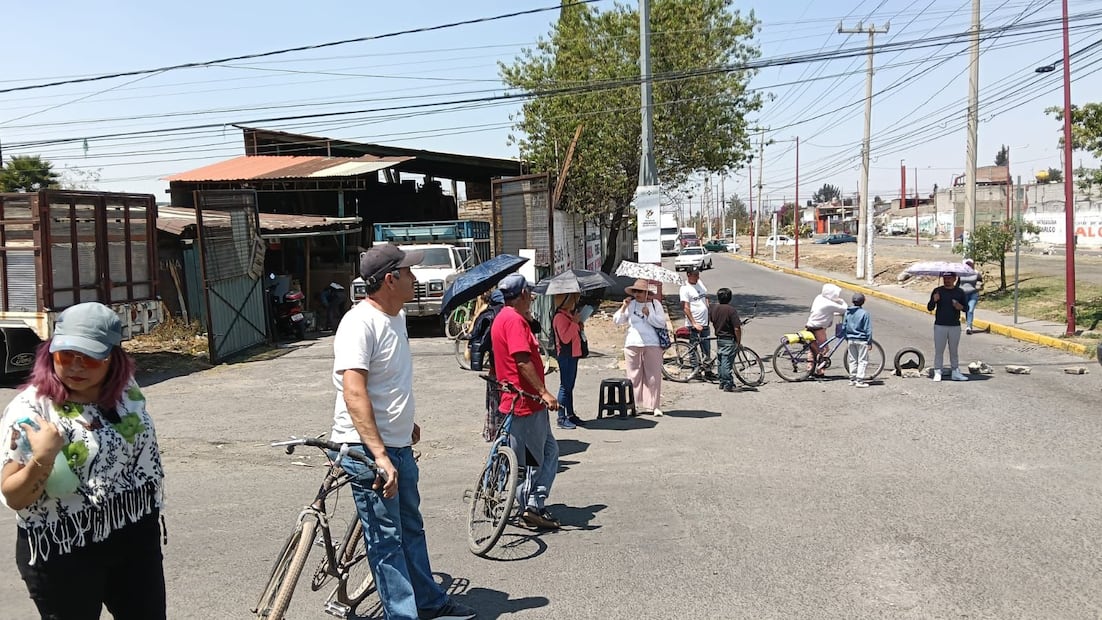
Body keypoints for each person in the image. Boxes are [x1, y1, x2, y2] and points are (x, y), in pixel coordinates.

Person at [331, 244, 477, 620]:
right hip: (366, 449)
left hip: (397, 444)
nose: (415, 278)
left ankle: (429, 602)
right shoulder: (358, 323)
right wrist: (379, 454)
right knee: (386, 540)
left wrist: (403, 421)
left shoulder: (395, 317)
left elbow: (388, 381)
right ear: (390, 279)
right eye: (409, 273)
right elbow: (354, 391)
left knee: (410, 527)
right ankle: (403, 614)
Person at [0, 302, 166, 619]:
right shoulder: (31, 411)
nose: (76, 367)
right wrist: (42, 458)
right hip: (63, 546)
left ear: (112, 359)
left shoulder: (125, 391)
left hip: (132, 530)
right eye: (65, 356)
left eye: (89, 357)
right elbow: (14, 496)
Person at [490, 273, 563, 530]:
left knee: (547, 451)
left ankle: (530, 498)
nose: (531, 296)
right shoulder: (513, 321)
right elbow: (522, 361)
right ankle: (531, 504)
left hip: (516, 399)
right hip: (526, 401)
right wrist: (543, 392)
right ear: (522, 294)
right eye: (529, 292)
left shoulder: (506, 318)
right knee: (534, 457)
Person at [613, 279, 669, 417]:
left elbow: (661, 323)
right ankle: (634, 405)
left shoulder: (655, 305)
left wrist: (649, 315)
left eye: (640, 291)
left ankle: (654, 405)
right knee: (633, 376)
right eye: (635, 291)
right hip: (633, 343)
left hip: (652, 343)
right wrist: (623, 307)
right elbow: (617, 321)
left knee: (653, 376)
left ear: (647, 293)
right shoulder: (630, 305)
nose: (637, 294)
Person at [551, 292, 586, 429]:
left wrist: (578, 325)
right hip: (565, 355)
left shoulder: (568, 316)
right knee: (565, 386)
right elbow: (565, 338)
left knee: (570, 386)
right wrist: (574, 323)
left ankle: (570, 414)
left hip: (573, 354)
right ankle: (561, 416)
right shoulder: (560, 317)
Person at [927, 272, 970, 382]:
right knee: (939, 350)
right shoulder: (938, 291)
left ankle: (955, 371)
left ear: (954, 279)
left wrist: (959, 306)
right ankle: (937, 371)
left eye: (949, 278)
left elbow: (967, 308)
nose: (946, 280)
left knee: (954, 350)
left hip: (954, 325)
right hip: (940, 325)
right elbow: (930, 307)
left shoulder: (959, 292)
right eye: (945, 278)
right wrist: (934, 300)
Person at [805, 283, 848, 375]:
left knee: (813, 349)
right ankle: (820, 370)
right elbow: (844, 308)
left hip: (810, 325)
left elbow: (826, 311)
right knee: (824, 349)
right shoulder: (829, 304)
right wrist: (841, 300)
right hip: (818, 328)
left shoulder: (819, 298)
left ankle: (810, 368)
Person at [708, 288, 742, 393]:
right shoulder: (731, 310)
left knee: (721, 361)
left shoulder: (713, 308)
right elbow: (737, 328)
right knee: (727, 362)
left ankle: (722, 381)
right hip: (729, 339)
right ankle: (728, 383)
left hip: (719, 339)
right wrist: (738, 340)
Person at [679, 268, 711, 367]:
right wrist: (694, 323)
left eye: (698, 274)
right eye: (695, 275)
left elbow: (706, 296)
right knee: (693, 348)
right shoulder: (685, 288)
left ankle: (707, 370)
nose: (697, 277)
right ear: (689, 275)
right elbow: (685, 307)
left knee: (706, 348)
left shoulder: (699, 283)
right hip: (694, 324)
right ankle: (695, 369)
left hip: (705, 322)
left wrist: (707, 309)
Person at [843, 293, 873, 388]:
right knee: (862, 360)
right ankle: (859, 380)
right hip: (862, 340)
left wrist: (846, 337)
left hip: (851, 339)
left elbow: (844, 326)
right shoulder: (865, 313)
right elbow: (868, 329)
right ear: (863, 302)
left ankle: (852, 379)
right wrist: (869, 341)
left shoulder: (848, 312)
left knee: (852, 360)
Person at [958, 258, 983, 334]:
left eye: (970, 264)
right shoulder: (961, 273)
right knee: (966, 309)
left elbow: (980, 283)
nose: (968, 265)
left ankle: (969, 326)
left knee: (970, 309)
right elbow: (957, 284)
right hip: (963, 294)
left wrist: (979, 287)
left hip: (973, 294)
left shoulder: (976, 273)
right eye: (967, 264)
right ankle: (968, 324)